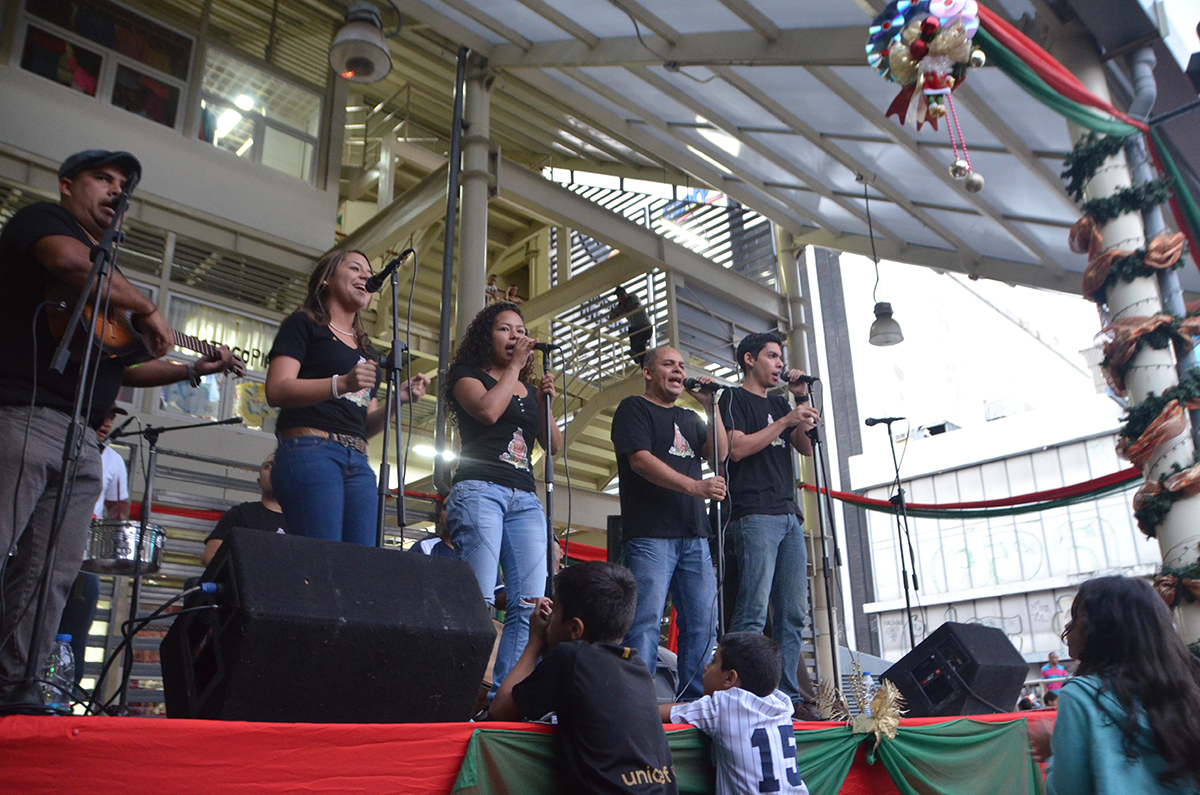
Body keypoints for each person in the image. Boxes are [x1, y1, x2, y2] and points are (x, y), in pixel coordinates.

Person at [0, 149, 235, 699]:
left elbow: (122, 361)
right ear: (66, 185)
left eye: (122, 186)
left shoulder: (113, 277)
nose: (114, 191)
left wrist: (192, 367)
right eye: (101, 178)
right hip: (22, 416)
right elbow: (69, 264)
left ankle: (17, 683)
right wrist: (149, 309)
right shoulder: (44, 222)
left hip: (84, 440)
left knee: (51, 574)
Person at [264, 249, 430, 546]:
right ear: (326, 279)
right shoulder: (303, 324)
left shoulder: (366, 351)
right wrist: (340, 383)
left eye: (368, 272)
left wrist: (399, 401)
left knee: (359, 563)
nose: (366, 276)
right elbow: (277, 390)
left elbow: (364, 425)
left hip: (358, 459)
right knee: (322, 556)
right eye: (355, 268)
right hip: (310, 448)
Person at [443, 302, 561, 701]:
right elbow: (488, 412)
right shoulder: (467, 376)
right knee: (479, 599)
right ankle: (460, 693)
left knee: (529, 604)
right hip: (479, 489)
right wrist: (515, 369)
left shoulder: (528, 389)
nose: (515, 336)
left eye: (520, 329)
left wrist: (546, 403)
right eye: (505, 329)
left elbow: (554, 447)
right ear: (486, 336)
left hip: (524, 496)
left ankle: (504, 699)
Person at [490, 562, 678, 795]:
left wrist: (535, 643)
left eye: (556, 612)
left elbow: (499, 711)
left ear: (575, 630)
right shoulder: (637, 666)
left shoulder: (571, 657)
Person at [611, 346, 726, 698]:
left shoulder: (691, 419)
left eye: (682, 365)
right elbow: (640, 461)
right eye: (669, 365)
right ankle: (639, 705)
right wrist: (694, 485)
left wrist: (710, 405)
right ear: (648, 372)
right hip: (650, 534)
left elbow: (720, 453)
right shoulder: (634, 408)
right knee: (644, 623)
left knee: (703, 625)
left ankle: (691, 704)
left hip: (694, 535)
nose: (678, 370)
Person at [719, 332, 821, 718]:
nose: (780, 364)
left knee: (793, 613)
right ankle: (745, 692)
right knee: (752, 610)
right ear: (749, 359)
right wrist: (784, 419)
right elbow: (737, 449)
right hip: (753, 512)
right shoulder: (732, 398)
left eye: (781, 357)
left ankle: (787, 696)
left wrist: (799, 399)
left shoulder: (782, 402)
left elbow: (808, 447)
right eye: (772, 356)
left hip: (788, 514)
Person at [1030, 576, 1200, 794]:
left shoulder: (1080, 694)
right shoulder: (1186, 688)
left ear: (1102, 626)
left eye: (1075, 616)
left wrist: (1053, 751)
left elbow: (1067, 790)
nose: (1066, 625)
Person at [662, 632, 809, 795]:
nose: (705, 667)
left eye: (713, 662)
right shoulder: (781, 702)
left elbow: (656, 712)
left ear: (729, 678)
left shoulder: (724, 704)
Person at [57, 405, 132, 684]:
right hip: (46, 539)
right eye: (104, 415)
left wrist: (117, 535)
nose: (108, 423)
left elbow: (117, 507)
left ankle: (68, 690)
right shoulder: (61, 442)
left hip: (84, 550)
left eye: (112, 418)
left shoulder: (113, 460)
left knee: (78, 621)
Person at [200, 453, 287, 567]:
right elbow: (210, 557)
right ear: (259, 482)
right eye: (268, 466)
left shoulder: (302, 522)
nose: (274, 471)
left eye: (280, 466)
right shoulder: (240, 514)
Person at [609, 285, 653, 366]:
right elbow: (612, 320)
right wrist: (613, 314)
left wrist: (619, 310)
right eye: (619, 296)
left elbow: (635, 307)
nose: (621, 298)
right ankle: (643, 364)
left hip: (646, 328)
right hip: (638, 330)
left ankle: (635, 352)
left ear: (626, 294)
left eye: (622, 295)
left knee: (632, 331)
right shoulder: (620, 306)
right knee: (640, 348)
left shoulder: (633, 298)